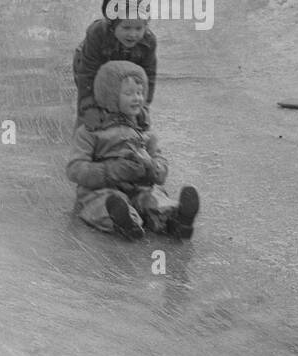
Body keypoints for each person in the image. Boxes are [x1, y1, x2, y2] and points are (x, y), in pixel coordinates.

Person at [66, 60, 201, 241]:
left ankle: (177, 220)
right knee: (103, 204)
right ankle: (125, 222)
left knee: (153, 198)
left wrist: (151, 165)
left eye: (140, 92)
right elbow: (75, 169)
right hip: (101, 189)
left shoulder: (143, 130)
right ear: (110, 95)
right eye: (129, 93)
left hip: (138, 187)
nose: (137, 98)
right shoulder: (91, 131)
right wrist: (113, 170)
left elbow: (160, 164)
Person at [72, 0, 158, 124]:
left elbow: (148, 76)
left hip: (127, 70)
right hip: (92, 66)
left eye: (139, 28)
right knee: (93, 115)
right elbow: (87, 74)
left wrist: (143, 106)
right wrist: (88, 106)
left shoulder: (148, 42)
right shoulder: (97, 34)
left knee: (128, 110)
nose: (133, 34)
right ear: (112, 24)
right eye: (126, 28)